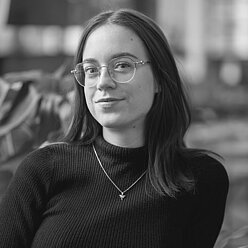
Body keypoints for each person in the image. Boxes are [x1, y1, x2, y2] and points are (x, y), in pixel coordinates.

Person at [0, 8, 229, 248]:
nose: (103, 82)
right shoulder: (43, 169)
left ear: (159, 79)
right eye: (91, 70)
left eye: (122, 65)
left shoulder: (200, 179)